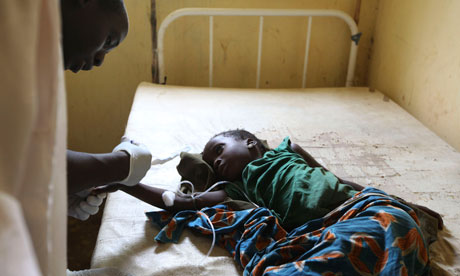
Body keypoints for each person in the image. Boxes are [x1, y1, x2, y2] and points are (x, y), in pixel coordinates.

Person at [96, 129, 443, 274]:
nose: (214, 161)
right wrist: (124, 180)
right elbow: (180, 204)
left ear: (249, 142)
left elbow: (335, 179)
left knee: (394, 224)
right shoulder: (236, 189)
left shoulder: (286, 151)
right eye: (210, 160)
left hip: (358, 208)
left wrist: (393, 199)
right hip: (325, 231)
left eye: (217, 150)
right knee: (339, 252)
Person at [0, 0, 151, 275]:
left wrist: (63, 189)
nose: (99, 60)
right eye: (108, 40)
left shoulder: (28, 60)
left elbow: (20, 148)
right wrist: (121, 165)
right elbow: (23, 167)